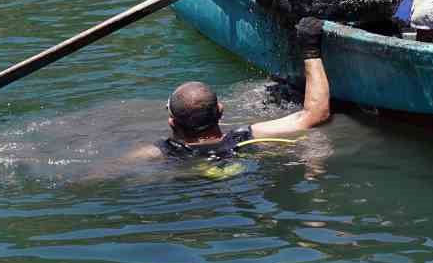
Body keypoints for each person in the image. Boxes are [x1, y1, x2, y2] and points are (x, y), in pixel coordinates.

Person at [129, 19, 331, 165]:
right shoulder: (244, 139)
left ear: (172, 122)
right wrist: (311, 50)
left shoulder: (163, 152)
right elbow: (315, 115)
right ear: (221, 110)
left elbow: (103, 173)